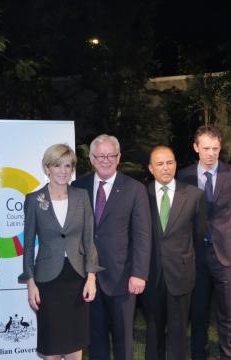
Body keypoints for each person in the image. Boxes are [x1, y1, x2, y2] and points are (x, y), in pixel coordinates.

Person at [178, 125, 231, 360]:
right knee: (198, 312)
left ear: (220, 147)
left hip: (227, 253)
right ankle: (199, 355)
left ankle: (229, 355)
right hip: (195, 255)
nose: (210, 153)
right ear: (195, 148)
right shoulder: (184, 176)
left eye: (215, 148)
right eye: (205, 148)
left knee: (229, 312)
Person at [19, 143, 102, 360]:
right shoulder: (34, 200)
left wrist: (91, 276)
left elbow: (89, 238)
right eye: (57, 165)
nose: (63, 171)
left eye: (68, 166)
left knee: (75, 345)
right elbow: (27, 246)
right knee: (51, 347)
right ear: (47, 168)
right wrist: (30, 283)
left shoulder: (81, 196)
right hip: (47, 281)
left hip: (77, 278)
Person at [72, 134, 152, 360]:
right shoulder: (78, 187)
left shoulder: (135, 189)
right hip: (88, 278)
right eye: (100, 155)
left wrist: (139, 274)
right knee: (95, 339)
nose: (105, 160)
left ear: (118, 158)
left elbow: (142, 236)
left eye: (110, 155)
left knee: (123, 339)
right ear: (91, 158)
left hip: (123, 279)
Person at [142, 146, 207, 360]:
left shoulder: (194, 196)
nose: (165, 167)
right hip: (151, 275)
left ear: (176, 165)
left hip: (181, 274)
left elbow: (198, 235)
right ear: (151, 168)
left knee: (179, 334)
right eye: (159, 164)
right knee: (153, 333)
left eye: (169, 162)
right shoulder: (141, 195)